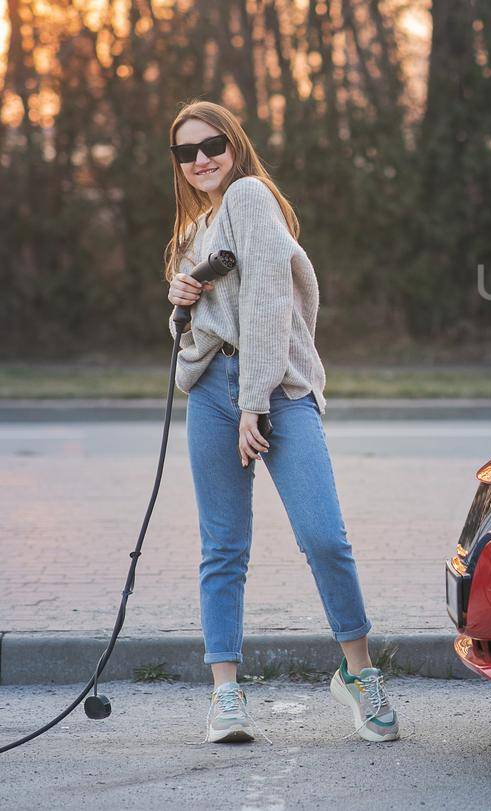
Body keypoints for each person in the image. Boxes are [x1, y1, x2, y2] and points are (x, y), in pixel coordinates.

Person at [162, 99, 399, 744]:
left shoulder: (249, 198)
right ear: (178, 164)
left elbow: (269, 306)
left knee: (324, 537)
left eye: (212, 144)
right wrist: (181, 302)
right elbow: (198, 336)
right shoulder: (194, 232)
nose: (201, 159)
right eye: (187, 152)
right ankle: (226, 695)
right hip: (212, 392)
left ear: (235, 146)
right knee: (223, 547)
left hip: (276, 393)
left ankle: (358, 674)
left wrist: (253, 404)